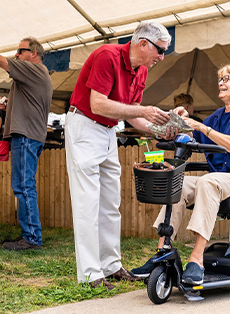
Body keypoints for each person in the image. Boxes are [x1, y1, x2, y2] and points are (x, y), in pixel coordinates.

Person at [131, 62, 230, 285]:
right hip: (222, 180)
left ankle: (196, 259)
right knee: (178, 183)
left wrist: (201, 127)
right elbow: (192, 137)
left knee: (209, 180)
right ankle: (162, 252)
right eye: (221, 79)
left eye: (227, 79)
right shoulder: (217, 117)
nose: (221, 82)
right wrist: (177, 121)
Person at [65, 21, 175, 291]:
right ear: (143, 44)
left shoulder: (141, 71)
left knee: (111, 202)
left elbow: (135, 115)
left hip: (107, 132)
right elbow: (97, 103)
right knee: (87, 203)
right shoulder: (107, 56)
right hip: (84, 126)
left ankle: (112, 265)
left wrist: (161, 130)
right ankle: (91, 274)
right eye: (160, 51)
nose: (162, 57)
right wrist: (143, 111)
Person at [0, 37, 53, 251]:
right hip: (30, 136)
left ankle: (31, 237)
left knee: (23, 186)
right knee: (24, 185)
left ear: (34, 54)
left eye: (20, 51)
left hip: (26, 136)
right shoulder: (37, 75)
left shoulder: (33, 70)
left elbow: (2, 61)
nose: (16, 55)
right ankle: (30, 234)